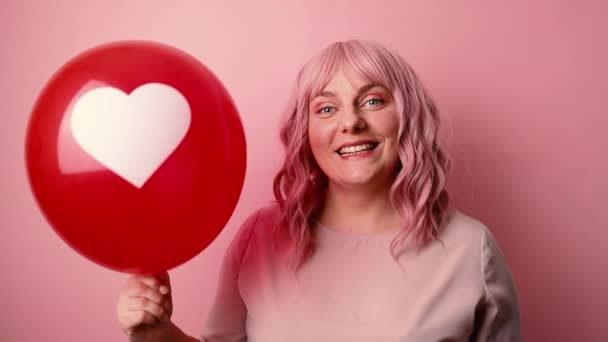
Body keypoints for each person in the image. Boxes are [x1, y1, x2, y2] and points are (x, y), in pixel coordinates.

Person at [116, 40, 521, 341]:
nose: (351, 123)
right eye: (326, 108)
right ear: (305, 132)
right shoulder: (259, 237)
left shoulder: (470, 248)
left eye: (374, 101)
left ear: (407, 117)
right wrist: (158, 333)